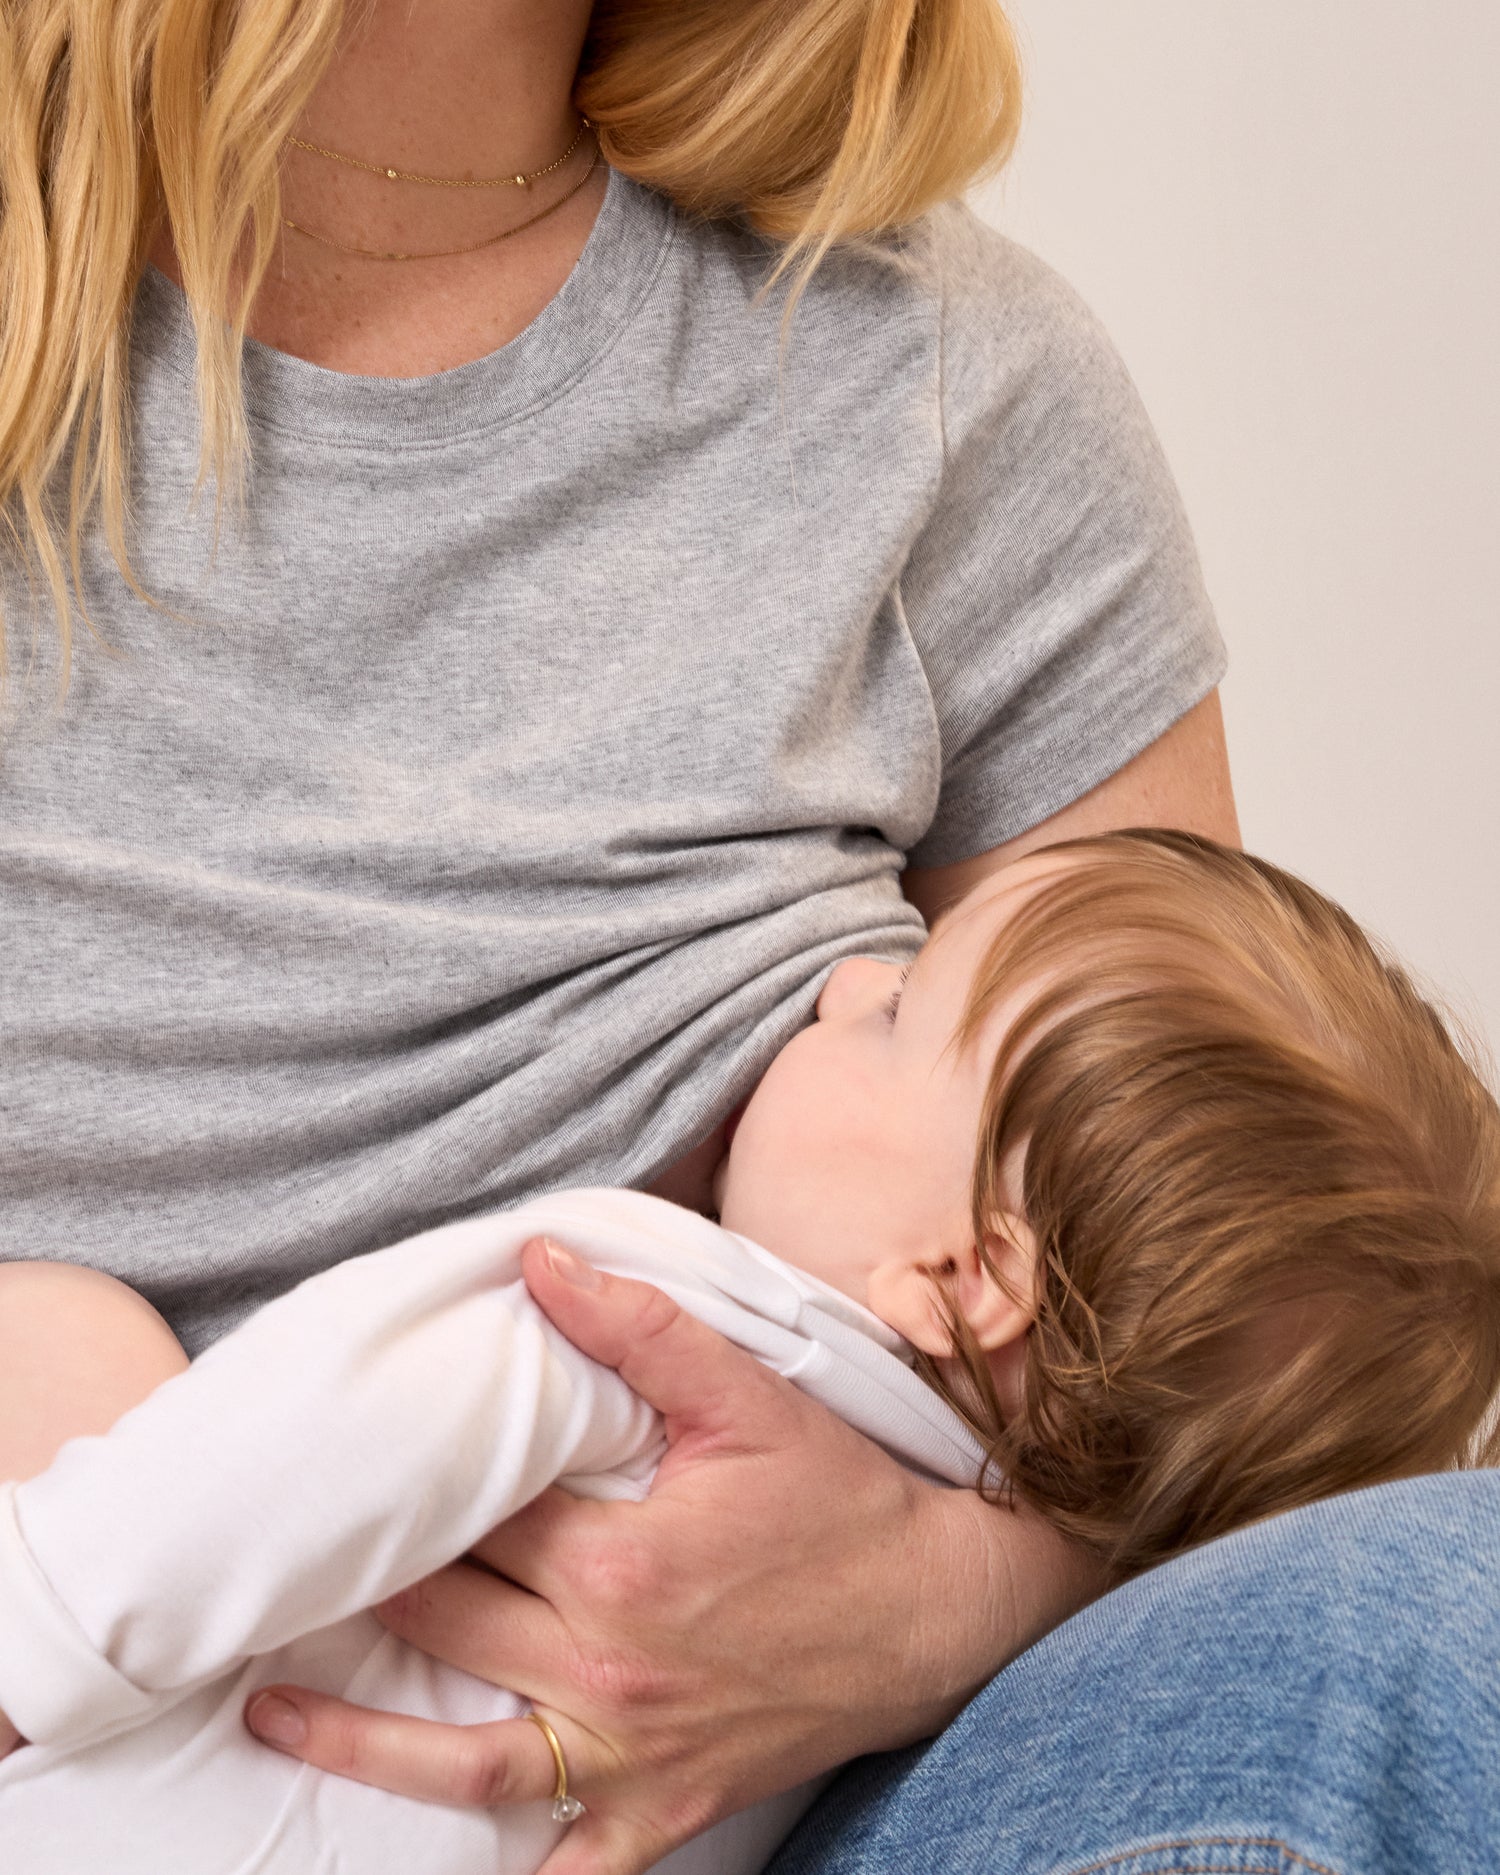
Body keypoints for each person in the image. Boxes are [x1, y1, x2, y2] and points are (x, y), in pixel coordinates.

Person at [0, 0, 1265, 1869]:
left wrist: (928, 1606)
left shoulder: (942, 366)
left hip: (779, 1813)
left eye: (904, 1011)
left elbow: (1233, 1321)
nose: (869, 988)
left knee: (1424, 1598)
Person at [3, 832, 1496, 1874]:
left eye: (904, 1014)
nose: (846, 980)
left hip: (123, 1819)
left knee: (55, 1330)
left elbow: (330, 1426)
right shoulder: (991, 1576)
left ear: (960, 1278)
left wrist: (39, 1636)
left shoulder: (664, 1313)